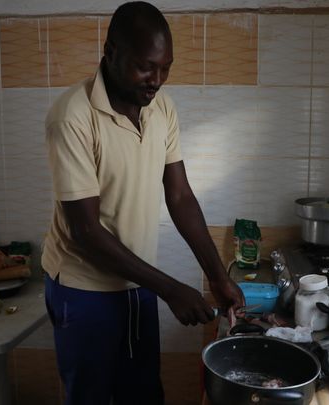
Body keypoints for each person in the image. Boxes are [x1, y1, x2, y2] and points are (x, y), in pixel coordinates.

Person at [41, 2, 245, 404]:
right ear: (111, 51)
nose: (156, 80)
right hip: (84, 289)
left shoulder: (161, 108)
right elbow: (85, 232)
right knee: (91, 397)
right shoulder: (72, 118)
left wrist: (216, 276)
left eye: (165, 67)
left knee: (144, 394)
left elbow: (180, 195)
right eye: (145, 66)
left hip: (137, 281)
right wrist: (171, 289)